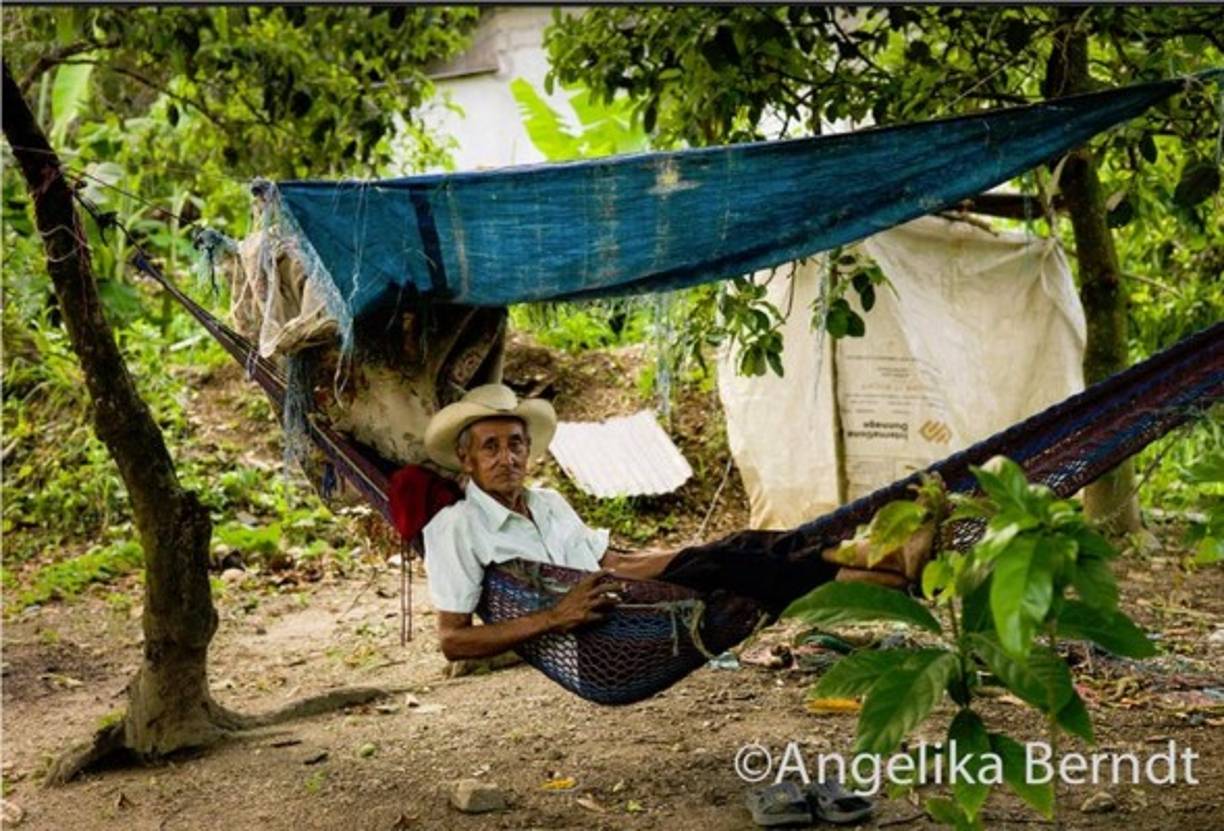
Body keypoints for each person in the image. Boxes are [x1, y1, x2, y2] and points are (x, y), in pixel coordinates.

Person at [422, 385, 932, 661]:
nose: (507, 457)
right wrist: (555, 617)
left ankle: (879, 570)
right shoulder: (455, 528)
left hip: (621, 593)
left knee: (732, 553)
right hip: (599, 634)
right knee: (726, 565)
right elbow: (452, 641)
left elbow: (611, 562)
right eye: (490, 447)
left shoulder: (549, 503)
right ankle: (876, 560)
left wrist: (685, 553)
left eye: (515, 444)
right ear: (466, 460)